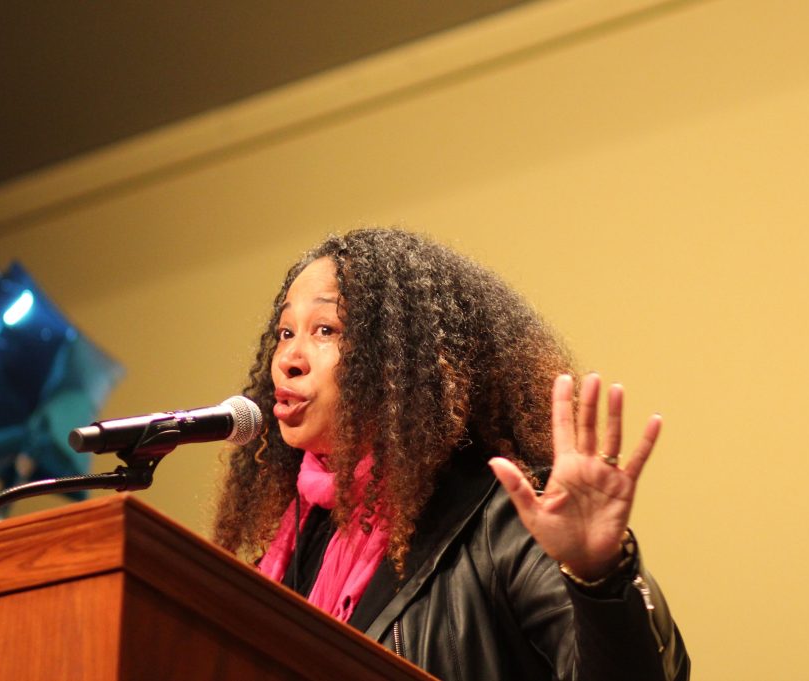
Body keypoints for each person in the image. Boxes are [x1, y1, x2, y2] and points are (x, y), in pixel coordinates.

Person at [214, 228, 689, 680]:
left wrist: (599, 578)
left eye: (325, 329)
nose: (289, 360)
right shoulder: (292, 549)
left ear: (398, 359)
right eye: (285, 332)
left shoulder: (501, 520)